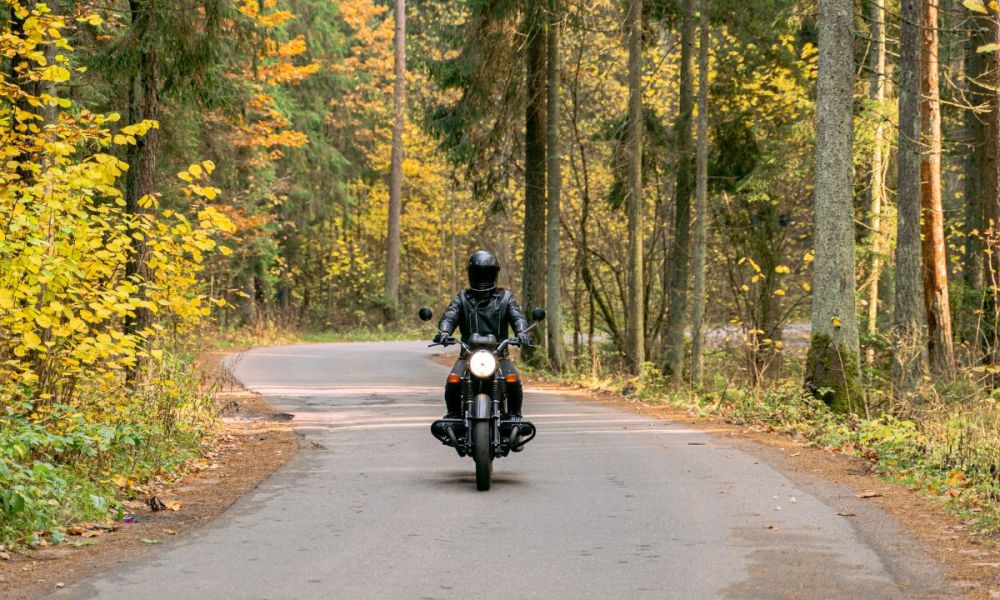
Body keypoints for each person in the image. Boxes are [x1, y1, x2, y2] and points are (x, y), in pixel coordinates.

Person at [435, 250, 531, 419]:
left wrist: (522, 332)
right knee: (453, 380)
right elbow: (450, 315)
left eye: (486, 272)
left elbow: (517, 316)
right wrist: (444, 331)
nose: (482, 276)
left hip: (499, 355)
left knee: (513, 380)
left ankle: (516, 417)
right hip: (468, 355)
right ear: (470, 274)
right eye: (477, 272)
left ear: (494, 273)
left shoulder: (505, 298)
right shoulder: (463, 298)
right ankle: (452, 416)